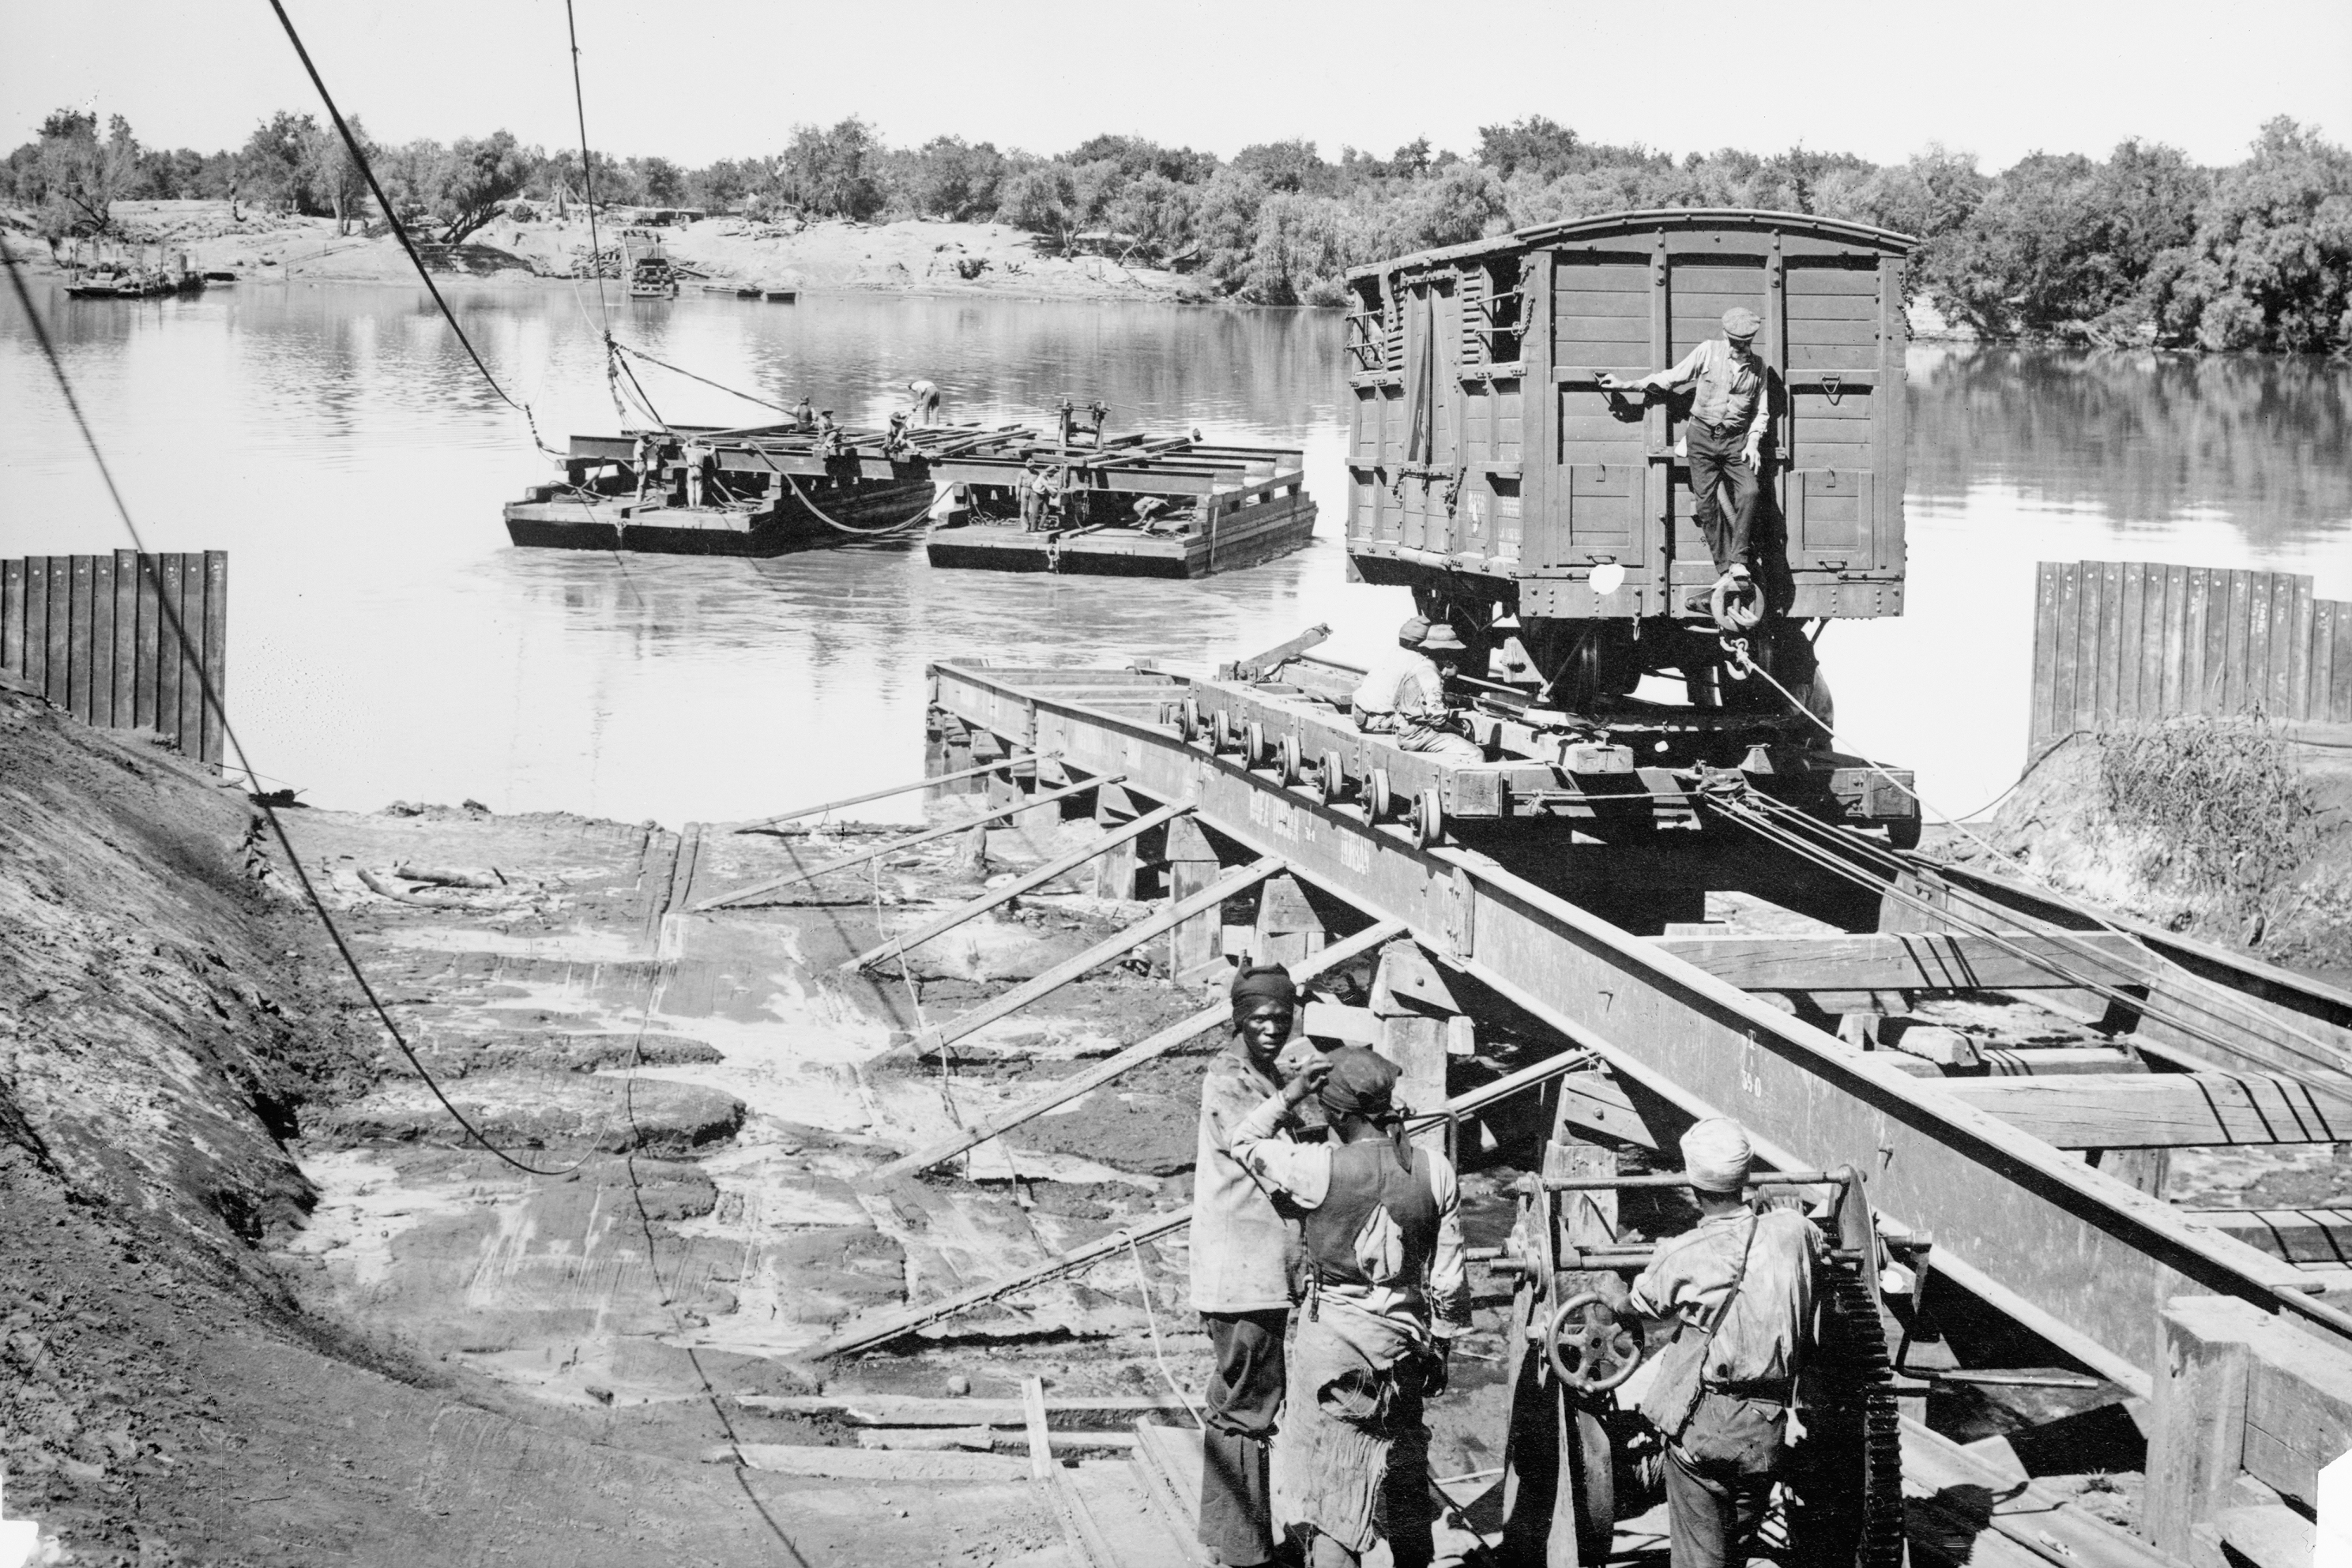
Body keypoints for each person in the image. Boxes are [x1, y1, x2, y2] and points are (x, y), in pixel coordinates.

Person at [1231, 1047, 1469, 1568]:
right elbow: (1449, 1280)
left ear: (1336, 1113)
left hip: (1335, 1345)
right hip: (1404, 1340)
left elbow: (1243, 1139)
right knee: (1405, 1465)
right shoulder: (1435, 1168)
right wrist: (1444, 1344)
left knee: (1334, 1485)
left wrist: (1291, 1093)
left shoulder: (1316, 1167)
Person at [1616, 1118, 1820, 1568]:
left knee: (1699, 1557)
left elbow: (1640, 1305)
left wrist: (1617, 1296)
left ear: (1693, 1184)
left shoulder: (1683, 1252)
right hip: (1764, 1427)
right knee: (1736, 1547)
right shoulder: (1794, 1232)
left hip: (1706, 1431)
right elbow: (1817, 1238)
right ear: (1746, 1175)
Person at [1191, 963, 1308, 1568]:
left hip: (1246, 1269)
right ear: (1239, 1019)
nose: (1271, 1028)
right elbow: (1251, 1142)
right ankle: (1244, 1549)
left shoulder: (1254, 1070)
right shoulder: (1229, 1079)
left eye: (1280, 1018)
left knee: (1238, 1399)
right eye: (1260, 1019)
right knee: (1248, 1406)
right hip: (1243, 1272)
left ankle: (1234, 1536)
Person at [1597, 308, 1774, 611]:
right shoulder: (1708, 352)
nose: (1737, 347)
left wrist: (1755, 440)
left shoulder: (1759, 368)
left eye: (1743, 342)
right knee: (1706, 504)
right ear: (1725, 336)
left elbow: (1762, 409)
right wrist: (1626, 384)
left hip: (1735, 441)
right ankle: (1726, 570)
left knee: (1750, 491)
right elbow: (1670, 379)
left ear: (1751, 340)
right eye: (1733, 341)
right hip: (1701, 436)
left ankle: (1740, 562)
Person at [1350, 619, 1480, 761]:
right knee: (1474, 753)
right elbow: (1437, 718)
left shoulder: (1396, 653)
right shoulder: (1420, 664)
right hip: (1382, 723)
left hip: (1361, 714)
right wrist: (1461, 732)